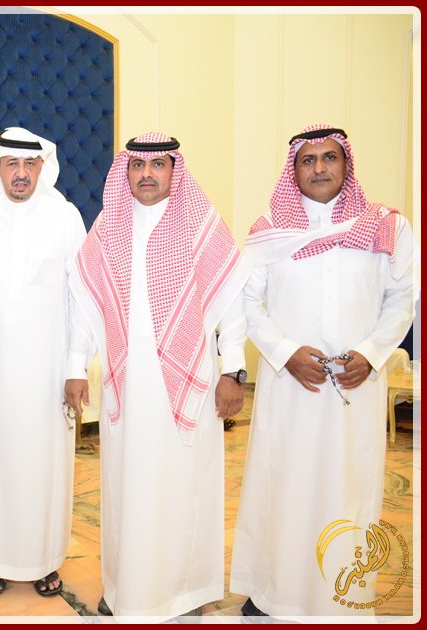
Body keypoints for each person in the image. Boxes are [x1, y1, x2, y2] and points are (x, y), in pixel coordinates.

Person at [230, 124, 416, 620]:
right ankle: (272, 593)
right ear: (293, 169)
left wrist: (372, 353)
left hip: (356, 388)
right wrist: (285, 352)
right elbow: (246, 303)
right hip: (290, 386)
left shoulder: (387, 226)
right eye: (308, 160)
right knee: (283, 487)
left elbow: (403, 298)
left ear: (346, 164)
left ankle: (341, 601)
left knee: (347, 489)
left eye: (329, 157)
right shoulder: (270, 230)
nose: (319, 168)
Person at [65, 133, 248, 620]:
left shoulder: (201, 224)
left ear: (174, 170)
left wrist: (233, 370)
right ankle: (126, 588)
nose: (146, 174)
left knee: (184, 486)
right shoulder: (109, 227)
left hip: (190, 382)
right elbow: (86, 307)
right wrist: (74, 367)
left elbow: (231, 302)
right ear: (125, 171)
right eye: (137, 165)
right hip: (126, 386)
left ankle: (184, 592)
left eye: (159, 164)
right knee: (127, 487)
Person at [0, 127, 86, 597]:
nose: (22, 173)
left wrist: (77, 367)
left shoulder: (65, 217)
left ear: (42, 167)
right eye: (12, 164)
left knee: (45, 466)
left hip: (48, 372)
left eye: (30, 164)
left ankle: (45, 560)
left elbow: (82, 298)